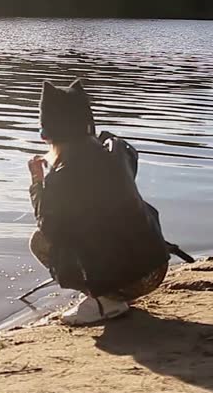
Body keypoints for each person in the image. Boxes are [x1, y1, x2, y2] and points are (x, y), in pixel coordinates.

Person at [28, 78, 172, 326]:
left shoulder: (63, 177)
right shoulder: (114, 151)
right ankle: (111, 295)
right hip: (156, 266)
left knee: (40, 241)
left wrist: (37, 183)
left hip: (132, 278)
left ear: (48, 135)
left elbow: (49, 227)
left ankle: (105, 300)